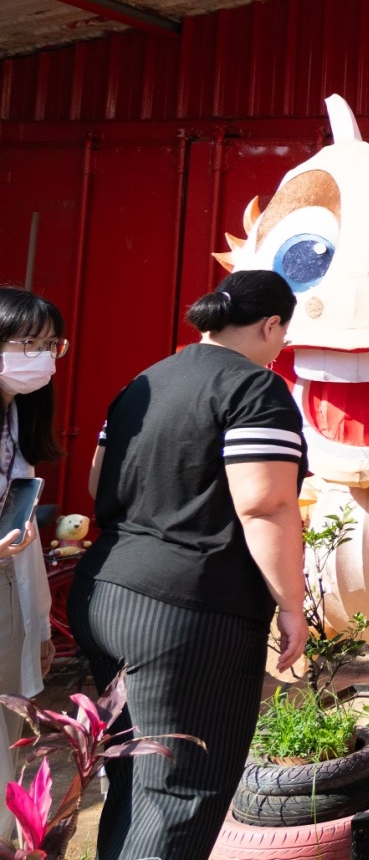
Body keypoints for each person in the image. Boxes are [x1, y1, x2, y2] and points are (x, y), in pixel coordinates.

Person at [73, 270, 310, 860]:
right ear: (271, 323)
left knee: (135, 777)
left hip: (108, 590)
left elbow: (98, 480)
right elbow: (266, 504)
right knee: (181, 790)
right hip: (189, 612)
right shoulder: (255, 389)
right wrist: (292, 604)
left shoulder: (145, 381)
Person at [0, 289, 62, 788]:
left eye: (50, 344)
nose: (41, 357)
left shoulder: (19, 419)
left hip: (10, 591)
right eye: (27, 342)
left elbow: (27, 533)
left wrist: (40, 625)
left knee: (10, 722)